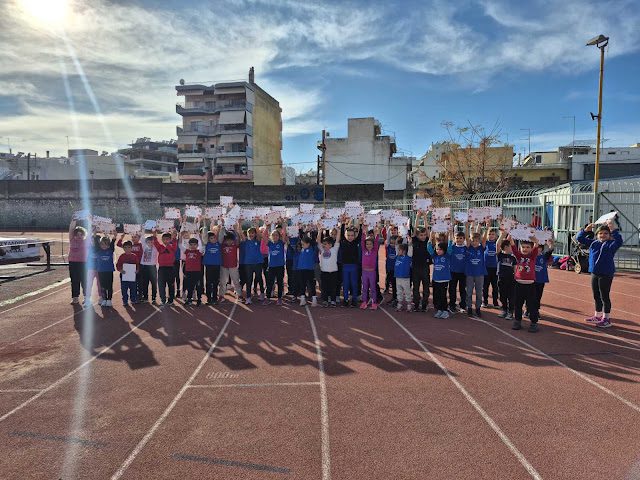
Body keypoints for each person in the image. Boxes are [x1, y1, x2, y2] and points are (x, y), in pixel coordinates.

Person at [577, 221, 623, 328]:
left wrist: (613, 229)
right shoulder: (594, 243)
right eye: (600, 233)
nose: (602, 235)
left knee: (604, 296)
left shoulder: (611, 245)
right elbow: (579, 238)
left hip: (606, 274)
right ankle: (597, 315)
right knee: (596, 295)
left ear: (609, 235)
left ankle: (606, 319)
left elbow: (619, 241)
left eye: (606, 233)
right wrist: (586, 230)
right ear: (597, 235)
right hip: (594, 273)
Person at [510, 236, 540, 332]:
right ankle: (517, 321)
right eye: (523, 247)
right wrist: (511, 238)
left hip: (530, 285)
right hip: (519, 284)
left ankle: (534, 323)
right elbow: (513, 248)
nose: (525, 249)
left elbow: (536, 247)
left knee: (531, 305)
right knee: (518, 304)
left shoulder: (532, 256)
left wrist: (535, 241)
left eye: (527, 247)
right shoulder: (519, 256)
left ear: (531, 249)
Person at [528, 236, 555, 319]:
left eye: (540, 248)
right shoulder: (530, 256)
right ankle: (528, 310)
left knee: (538, 296)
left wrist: (550, 244)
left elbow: (550, 250)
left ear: (542, 249)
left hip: (541, 280)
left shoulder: (544, 256)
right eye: (537, 247)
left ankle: (536, 311)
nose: (538, 249)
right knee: (530, 296)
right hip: (532, 280)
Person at [262, 222, 288, 305]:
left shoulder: (281, 242)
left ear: (279, 236)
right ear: (271, 236)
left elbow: (284, 234)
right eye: (273, 235)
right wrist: (266, 227)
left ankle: (279, 298)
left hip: (280, 266)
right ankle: (268, 298)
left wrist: (284, 224)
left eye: (276, 235)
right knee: (270, 283)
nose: (275, 236)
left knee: (280, 283)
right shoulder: (269, 243)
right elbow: (263, 236)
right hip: (271, 266)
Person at [412, 211, 432, 312]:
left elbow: (427, 229)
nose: (423, 236)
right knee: (415, 288)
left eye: (424, 235)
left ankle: (424, 304)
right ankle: (416, 304)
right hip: (415, 268)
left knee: (426, 288)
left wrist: (424, 217)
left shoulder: (427, 241)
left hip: (425, 268)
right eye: (421, 235)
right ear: (417, 236)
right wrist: (417, 217)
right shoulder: (415, 240)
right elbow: (415, 229)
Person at [240, 225, 266, 304]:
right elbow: (240, 233)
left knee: (259, 277)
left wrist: (256, 224)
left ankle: (262, 293)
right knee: (249, 279)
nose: (251, 234)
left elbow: (259, 234)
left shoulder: (258, 240)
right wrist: (239, 223)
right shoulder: (246, 241)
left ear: (255, 234)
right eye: (249, 233)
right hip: (248, 263)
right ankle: (248, 297)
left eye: (252, 233)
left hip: (258, 262)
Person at [465, 225, 486, 317]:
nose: (474, 242)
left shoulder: (481, 248)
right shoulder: (468, 247)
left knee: (479, 292)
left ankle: (478, 308)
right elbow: (467, 238)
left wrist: (487, 227)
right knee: (469, 291)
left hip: (479, 274)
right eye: (473, 241)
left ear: (479, 241)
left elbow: (484, 239)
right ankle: (469, 308)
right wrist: (466, 227)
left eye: (476, 241)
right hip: (470, 274)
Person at [340, 219, 362, 307]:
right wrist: (342, 223)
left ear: (354, 236)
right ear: (346, 235)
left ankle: (354, 299)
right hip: (345, 266)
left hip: (354, 267)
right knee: (345, 284)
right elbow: (341, 234)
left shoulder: (356, 242)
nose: (350, 237)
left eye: (352, 235)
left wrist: (360, 223)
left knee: (354, 284)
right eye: (348, 235)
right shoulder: (343, 241)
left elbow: (360, 235)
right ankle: (345, 299)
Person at [67, 219, 90, 305]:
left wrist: (89, 220)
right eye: (77, 234)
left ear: (84, 235)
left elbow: (90, 230)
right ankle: (75, 297)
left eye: (81, 234)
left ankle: (86, 297)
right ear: (74, 235)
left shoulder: (86, 241)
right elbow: (71, 229)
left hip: (83, 263)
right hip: (73, 263)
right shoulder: (72, 240)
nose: (79, 236)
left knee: (84, 280)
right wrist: (73, 220)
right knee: (74, 280)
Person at [154, 229, 178, 305]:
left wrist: (174, 236)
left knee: (171, 285)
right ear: (162, 239)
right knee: (161, 285)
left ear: (170, 239)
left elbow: (174, 242)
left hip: (170, 268)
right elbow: (155, 242)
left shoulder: (172, 247)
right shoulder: (160, 247)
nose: (166, 241)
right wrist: (154, 234)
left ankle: (171, 300)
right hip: (162, 269)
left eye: (167, 239)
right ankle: (163, 300)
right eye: (164, 239)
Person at [201, 220, 223, 305]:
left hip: (217, 266)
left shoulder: (219, 244)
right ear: (208, 239)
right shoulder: (206, 244)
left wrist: (221, 225)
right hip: (209, 266)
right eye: (211, 238)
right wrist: (205, 224)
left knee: (215, 282)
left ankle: (214, 298)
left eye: (214, 238)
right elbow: (204, 235)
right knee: (208, 282)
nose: (213, 239)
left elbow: (220, 235)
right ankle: (209, 298)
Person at [117, 232, 143, 301]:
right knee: (124, 287)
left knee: (135, 286)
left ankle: (135, 298)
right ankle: (125, 300)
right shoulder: (128, 245)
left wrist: (137, 269)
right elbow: (119, 244)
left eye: (135, 237)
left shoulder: (141, 245)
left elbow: (137, 263)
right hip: (124, 273)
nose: (134, 238)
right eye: (132, 237)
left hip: (134, 271)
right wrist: (121, 237)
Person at [319, 226, 341, 307]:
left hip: (333, 272)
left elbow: (337, 239)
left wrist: (338, 230)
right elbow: (318, 241)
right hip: (324, 272)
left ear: (330, 245)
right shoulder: (322, 250)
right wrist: (320, 231)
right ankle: (325, 300)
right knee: (324, 287)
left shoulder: (334, 249)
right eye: (323, 244)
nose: (323, 245)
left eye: (325, 244)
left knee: (333, 287)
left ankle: (333, 301)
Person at [360, 222, 380, 310]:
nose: (369, 245)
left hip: (372, 272)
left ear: (373, 245)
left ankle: (374, 302)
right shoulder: (364, 250)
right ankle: (364, 302)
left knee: (373, 288)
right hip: (364, 272)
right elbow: (362, 241)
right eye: (367, 244)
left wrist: (377, 233)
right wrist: (364, 232)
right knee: (364, 288)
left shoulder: (375, 250)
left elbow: (376, 241)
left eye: (370, 244)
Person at [219, 224, 242, 301]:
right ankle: (221, 295)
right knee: (223, 282)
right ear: (224, 240)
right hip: (224, 266)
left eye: (231, 240)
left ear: (233, 240)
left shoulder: (235, 245)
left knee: (236, 281)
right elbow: (220, 237)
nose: (229, 241)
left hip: (233, 266)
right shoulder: (222, 245)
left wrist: (235, 230)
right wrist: (222, 227)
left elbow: (238, 238)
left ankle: (239, 295)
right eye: (227, 240)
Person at [430, 241, 452, 318]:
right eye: (437, 249)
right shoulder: (435, 256)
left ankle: (445, 311)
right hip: (436, 280)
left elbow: (450, 248)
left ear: (444, 250)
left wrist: (450, 238)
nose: (438, 251)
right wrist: (430, 238)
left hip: (444, 280)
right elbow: (429, 248)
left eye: (440, 249)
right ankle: (439, 310)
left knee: (443, 296)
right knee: (438, 296)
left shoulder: (447, 256)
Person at [448, 227, 467, 313]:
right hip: (453, 272)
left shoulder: (466, 248)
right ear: (454, 239)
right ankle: (452, 304)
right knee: (452, 289)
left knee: (463, 290)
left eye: (460, 238)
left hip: (463, 273)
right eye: (457, 238)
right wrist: (450, 232)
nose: (459, 240)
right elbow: (449, 243)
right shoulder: (451, 247)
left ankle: (463, 305)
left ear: (464, 239)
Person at [496, 238, 516, 319]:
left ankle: (510, 312)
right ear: (506, 247)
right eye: (510, 246)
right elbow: (498, 244)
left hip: (511, 279)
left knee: (511, 296)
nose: (512, 248)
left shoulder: (513, 258)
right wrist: (503, 235)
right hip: (501, 278)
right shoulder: (500, 255)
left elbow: (515, 268)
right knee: (502, 295)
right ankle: (504, 310)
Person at [95, 233, 116, 307]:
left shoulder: (110, 250)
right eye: (102, 244)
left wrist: (114, 236)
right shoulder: (98, 251)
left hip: (109, 271)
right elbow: (96, 243)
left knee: (109, 286)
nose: (104, 246)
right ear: (100, 245)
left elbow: (113, 243)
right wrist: (94, 234)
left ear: (108, 245)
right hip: (101, 271)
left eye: (106, 244)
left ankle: (109, 300)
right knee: (102, 286)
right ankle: (104, 299)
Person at [116, 240, 139, 307]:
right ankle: (125, 301)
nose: (127, 249)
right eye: (125, 247)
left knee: (133, 288)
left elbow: (137, 265)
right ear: (123, 248)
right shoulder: (122, 256)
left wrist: (137, 270)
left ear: (131, 248)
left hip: (132, 276)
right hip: (124, 276)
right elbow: (118, 265)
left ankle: (133, 299)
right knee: (124, 289)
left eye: (129, 247)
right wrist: (120, 270)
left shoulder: (134, 256)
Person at [297, 234, 318, 306]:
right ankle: (302, 299)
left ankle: (314, 299)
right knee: (302, 285)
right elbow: (300, 236)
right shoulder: (302, 250)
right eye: (301, 244)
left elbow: (315, 241)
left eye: (303, 244)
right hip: (301, 270)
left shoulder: (312, 249)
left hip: (310, 270)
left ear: (308, 244)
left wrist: (313, 230)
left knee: (312, 285)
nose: (302, 245)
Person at [183, 237, 204, 306]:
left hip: (197, 272)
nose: (193, 246)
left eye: (195, 244)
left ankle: (199, 299)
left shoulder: (199, 252)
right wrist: (180, 236)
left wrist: (199, 236)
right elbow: (180, 245)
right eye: (191, 245)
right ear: (189, 245)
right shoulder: (187, 251)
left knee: (198, 286)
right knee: (190, 286)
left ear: (197, 245)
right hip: (189, 272)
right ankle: (189, 299)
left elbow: (203, 246)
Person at [394, 238, 413, 312]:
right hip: (398, 278)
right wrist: (397, 241)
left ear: (404, 251)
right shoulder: (397, 256)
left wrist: (410, 243)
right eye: (398, 250)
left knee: (407, 292)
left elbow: (410, 250)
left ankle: (409, 305)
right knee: (399, 292)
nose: (398, 251)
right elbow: (396, 247)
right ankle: (399, 304)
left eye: (399, 250)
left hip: (405, 278)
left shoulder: (408, 257)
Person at [482, 227, 499, 308]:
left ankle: (495, 302)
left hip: (495, 268)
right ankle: (485, 302)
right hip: (486, 268)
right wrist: (486, 228)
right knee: (485, 286)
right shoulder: (485, 243)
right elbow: (483, 239)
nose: (491, 236)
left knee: (495, 287)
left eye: (493, 234)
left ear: (496, 236)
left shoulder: (497, 243)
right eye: (489, 234)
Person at [139, 235, 158, 304]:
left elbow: (156, 240)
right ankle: (145, 297)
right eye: (148, 242)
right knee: (145, 283)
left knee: (154, 284)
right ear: (146, 242)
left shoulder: (155, 248)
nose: (150, 243)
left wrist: (154, 232)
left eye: (152, 242)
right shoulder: (144, 246)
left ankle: (153, 298)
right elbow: (142, 236)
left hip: (152, 267)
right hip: (144, 267)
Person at [384, 233, 398, 305]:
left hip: (396, 271)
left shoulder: (398, 249)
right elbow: (388, 238)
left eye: (395, 243)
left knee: (395, 285)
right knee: (391, 283)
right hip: (389, 270)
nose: (393, 244)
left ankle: (396, 299)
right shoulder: (388, 247)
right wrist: (389, 229)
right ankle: (394, 298)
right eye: (392, 243)